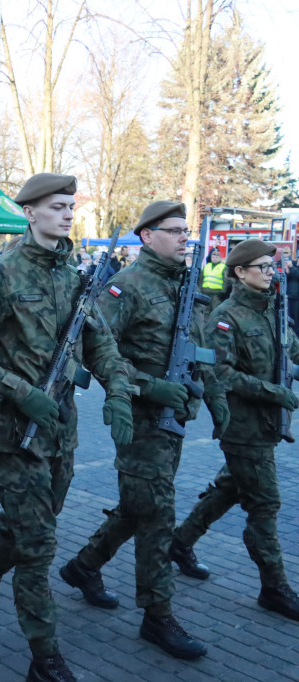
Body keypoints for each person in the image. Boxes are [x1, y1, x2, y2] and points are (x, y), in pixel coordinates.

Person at [0, 173, 134, 682]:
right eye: (56, 206)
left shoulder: (73, 274)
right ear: (30, 212)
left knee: (18, 534)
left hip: (61, 433)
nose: (67, 213)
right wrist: (22, 390)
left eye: (71, 205)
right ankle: (45, 659)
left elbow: (100, 341)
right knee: (39, 545)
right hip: (14, 435)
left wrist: (118, 388)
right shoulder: (1, 273)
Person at [59, 201, 228, 661]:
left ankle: (84, 566)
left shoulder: (187, 289)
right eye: (174, 231)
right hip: (139, 420)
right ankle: (158, 615)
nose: (184, 238)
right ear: (147, 236)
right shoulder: (126, 287)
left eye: (186, 231)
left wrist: (211, 396)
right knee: (156, 517)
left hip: (176, 421)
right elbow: (91, 351)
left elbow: (200, 353)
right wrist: (149, 387)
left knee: (140, 506)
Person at [171, 238, 299, 622]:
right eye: (263, 267)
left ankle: (180, 543)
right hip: (241, 426)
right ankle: (273, 587)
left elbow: (291, 353)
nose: (271, 272)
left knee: (231, 488)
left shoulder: (274, 310)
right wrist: (272, 391)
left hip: (265, 425)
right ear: (240, 272)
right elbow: (219, 372)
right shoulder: (225, 316)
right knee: (264, 504)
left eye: (272, 266)